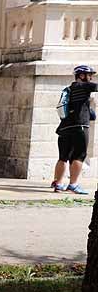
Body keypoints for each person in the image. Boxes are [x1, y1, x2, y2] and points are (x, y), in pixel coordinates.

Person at [52, 64, 97, 195]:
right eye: (89, 75)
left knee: (63, 157)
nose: (90, 78)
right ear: (81, 75)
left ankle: (58, 183)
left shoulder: (69, 89)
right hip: (80, 127)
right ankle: (73, 184)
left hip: (64, 128)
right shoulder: (84, 86)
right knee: (79, 155)